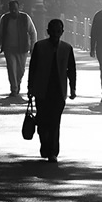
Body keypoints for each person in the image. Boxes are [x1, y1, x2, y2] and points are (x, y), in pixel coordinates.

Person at [27, 18, 76, 162]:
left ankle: (53, 151)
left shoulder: (67, 48)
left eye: (58, 32)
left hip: (59, 91)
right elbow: (33, 69)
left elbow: (71, 70)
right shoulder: (39, 47)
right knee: (42, 121)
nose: (55, 34)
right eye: (53, 31)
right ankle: (45, 145)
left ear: (62, 32)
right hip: (42, 90)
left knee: (55, 122)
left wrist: (72, 88)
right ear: (48, 32)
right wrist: (30, 88)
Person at [0, 0, 37, 99]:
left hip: (22, 48)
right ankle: (14, 89)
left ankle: (17, 83)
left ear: (19, 8)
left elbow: (33, 32)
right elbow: (0, 33)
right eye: (12, 9)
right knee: (11, 69)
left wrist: (33, 46)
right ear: (9, 9)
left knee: (21, 70)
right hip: (9, 48)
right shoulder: (4, 19)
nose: (14, 11)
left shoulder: (25, 18)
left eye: (16, 9)